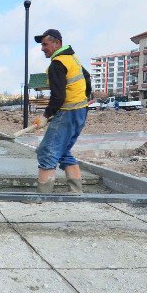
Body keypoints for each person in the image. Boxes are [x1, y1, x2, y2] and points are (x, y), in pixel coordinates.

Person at [32, 28, 91, 194]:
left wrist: (45, 115)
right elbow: (87, 79)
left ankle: (43, 195)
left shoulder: (57, 64)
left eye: (45, 44)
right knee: (63, 151)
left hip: (68, 112)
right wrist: (81, 100)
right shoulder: (72, 59)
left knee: (47, 151)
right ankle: (76, 191)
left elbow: (58, 96)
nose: (42, 48)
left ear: (56, 43)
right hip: (79, 111)